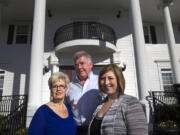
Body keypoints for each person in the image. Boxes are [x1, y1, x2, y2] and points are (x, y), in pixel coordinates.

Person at [88, 64, 148, 135]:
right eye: (102, 79)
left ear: (119, 80)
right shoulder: (99, 106)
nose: (106, 82)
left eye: (110, 78)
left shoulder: (131, 103)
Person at [65, 51, 102, 135]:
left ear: (90, 65)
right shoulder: (69, 86)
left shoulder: (100, 82)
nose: (79, 67)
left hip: (96, 130)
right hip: (76, 131)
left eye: (82, 63)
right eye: (76, 65)